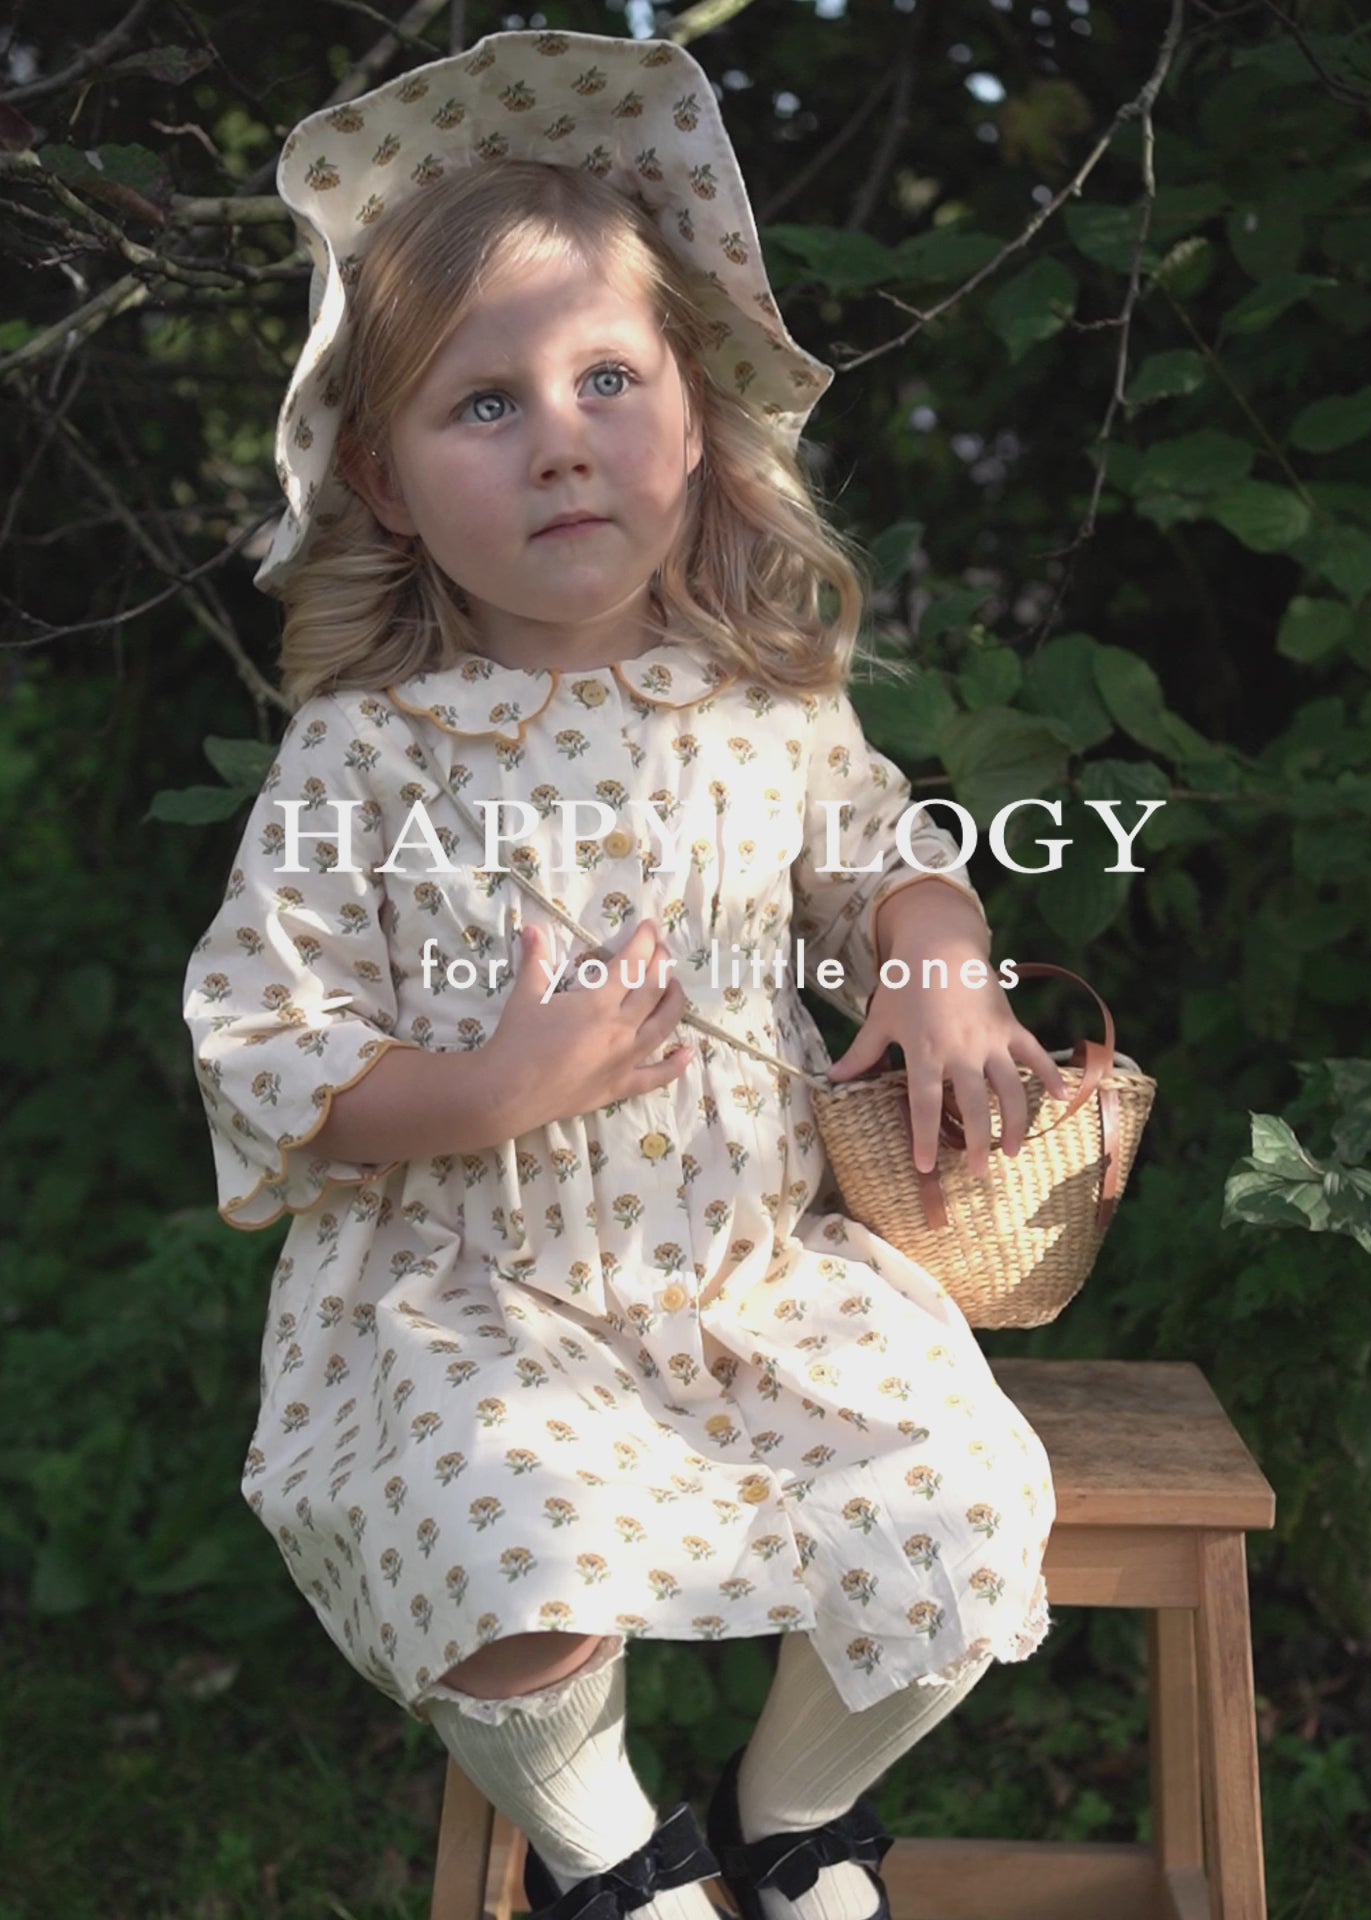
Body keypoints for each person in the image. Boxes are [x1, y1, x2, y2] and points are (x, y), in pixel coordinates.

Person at [182, 30, 1065, 1920]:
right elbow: (262, 1036)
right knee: (501, 1530)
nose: (561, 438)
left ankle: (788, 1811)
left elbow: (883, 863)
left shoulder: (761, 706)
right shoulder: (369, 752)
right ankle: (609, 1853)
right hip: (470, 1291)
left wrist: (937, 964)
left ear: (694, 414)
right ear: (388, 482)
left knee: (964, 1496)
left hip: (751, 1270)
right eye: (483, 404)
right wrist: (490, 1087)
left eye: (605, 378)